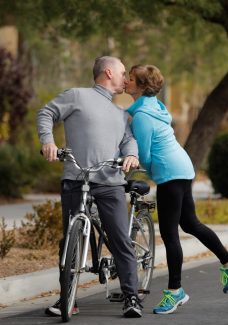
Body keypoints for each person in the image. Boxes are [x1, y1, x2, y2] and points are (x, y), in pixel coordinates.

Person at [125, 64, 228, 315]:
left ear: (141, 86)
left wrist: (131, 168)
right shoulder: (155, 106)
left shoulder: (143, 117)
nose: (126, 81)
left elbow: (145, 155)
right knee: (190, 223)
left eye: (131, 78)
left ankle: (175, 291)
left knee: (170, 235)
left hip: (170, 173)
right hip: (182, 167)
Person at [37, 56, 143, 318]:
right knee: (69, 242)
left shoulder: (120, 114)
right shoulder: (77, 96)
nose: (126, 80)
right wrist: (48, 142)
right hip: (76, 179)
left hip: (109, 182)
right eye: (122, 73)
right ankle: (68, 299)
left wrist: (131, 155)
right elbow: (46, 112)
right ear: (108, 72)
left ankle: (131, 297)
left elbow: (129, 140)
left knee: (120, 239)